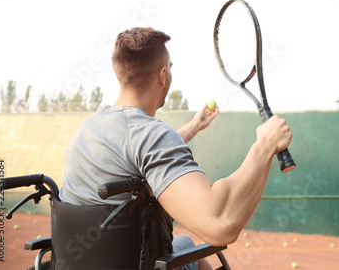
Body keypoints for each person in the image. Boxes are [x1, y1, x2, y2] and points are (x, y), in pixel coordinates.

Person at [59, 27, 292, 269]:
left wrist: (194, 126)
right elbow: (219, 222)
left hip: (86, 262)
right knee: (191, 252)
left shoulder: (88, 129)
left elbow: (138, 156)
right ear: (163, 76)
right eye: (170, 67)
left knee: (183, 242)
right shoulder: (151, 134)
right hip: (138, 264)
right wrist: (265, 146)